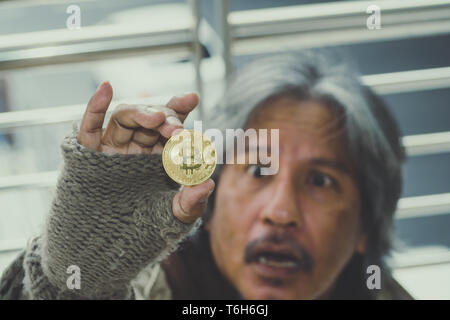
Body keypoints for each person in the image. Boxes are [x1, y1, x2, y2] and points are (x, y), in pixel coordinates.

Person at [0, 52, 412, 299]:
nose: (281, 212)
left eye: (321, 180)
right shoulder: (148, 284)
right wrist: (71, 284)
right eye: (256, 169)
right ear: (209, 204)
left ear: (365, 225)